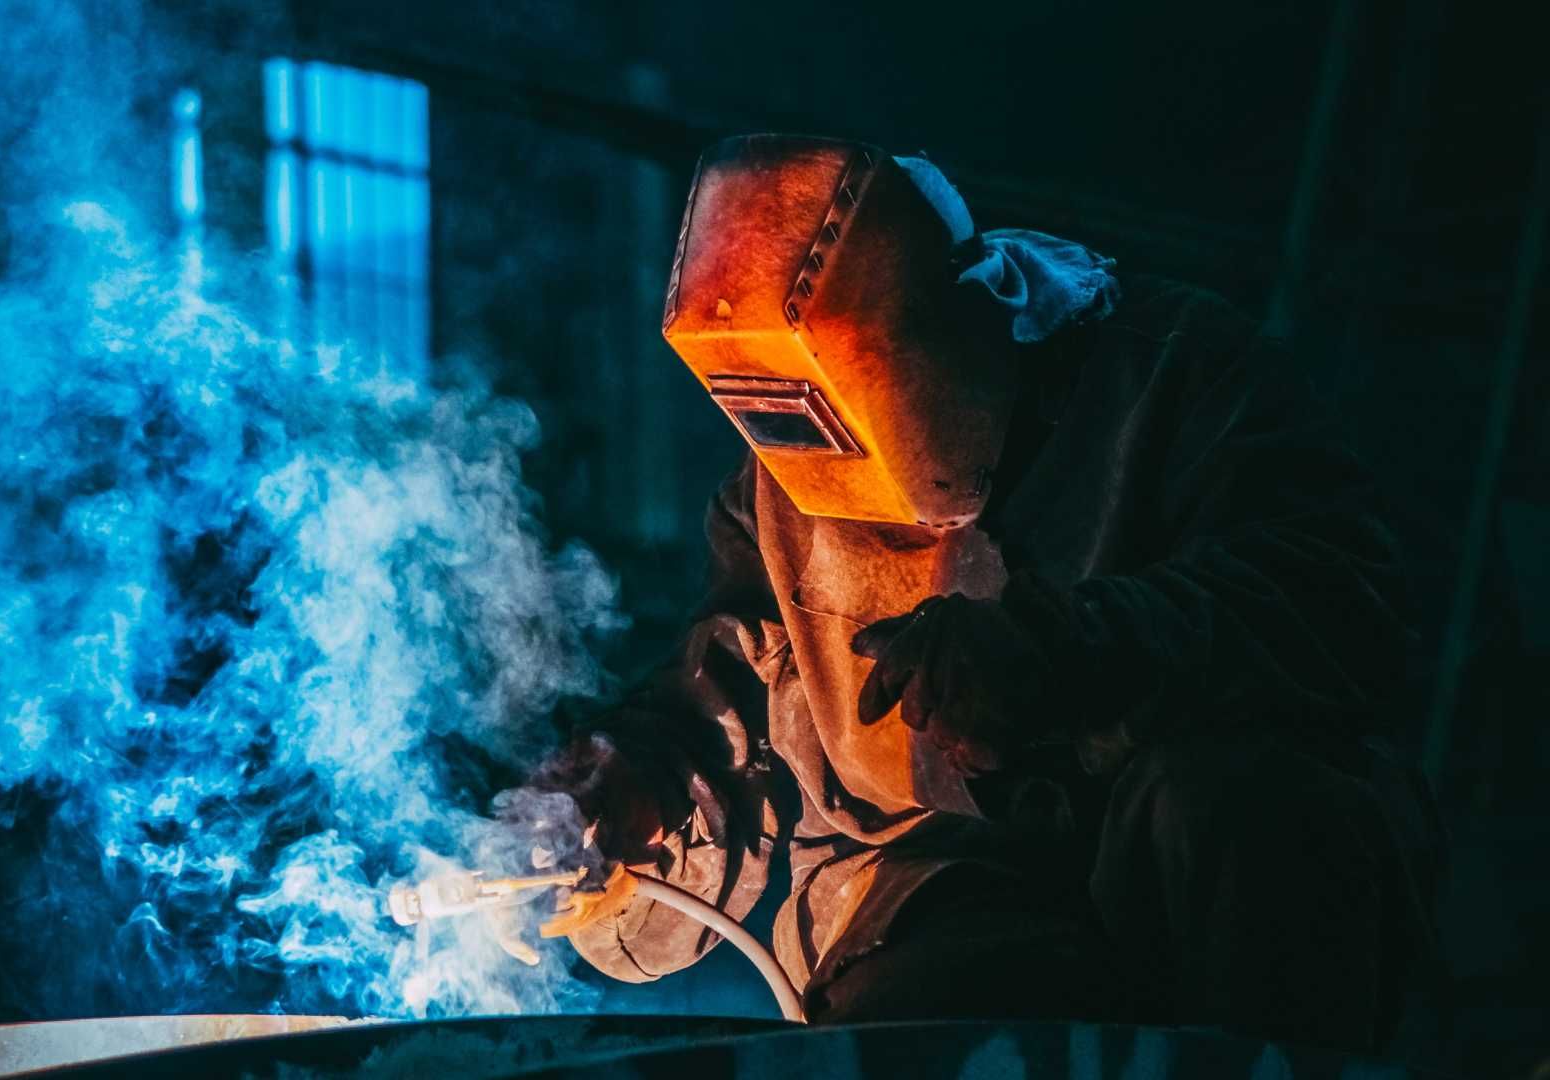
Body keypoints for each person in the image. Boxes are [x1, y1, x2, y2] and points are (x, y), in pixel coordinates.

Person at [535, 134, 1441, 1051]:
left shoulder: (1175, 374)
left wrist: (1073, 652)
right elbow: (732, 716)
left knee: (1239, 809)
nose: (834, 477)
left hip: (1185, 863)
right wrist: (636, 794)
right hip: (936, 886)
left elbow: (1342, 598)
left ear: (959, 320)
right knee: (920, 1035)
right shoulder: (778, 477)